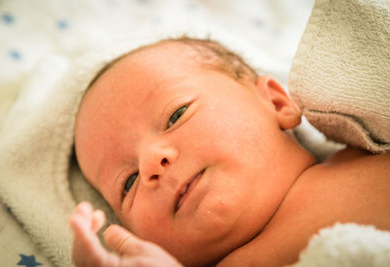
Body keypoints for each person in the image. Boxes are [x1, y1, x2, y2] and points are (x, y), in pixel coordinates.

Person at [70, 37, 390, 267]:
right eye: (128, 182)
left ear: (276, 103)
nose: (151, 162)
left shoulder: (367, 153)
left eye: (176, 115)